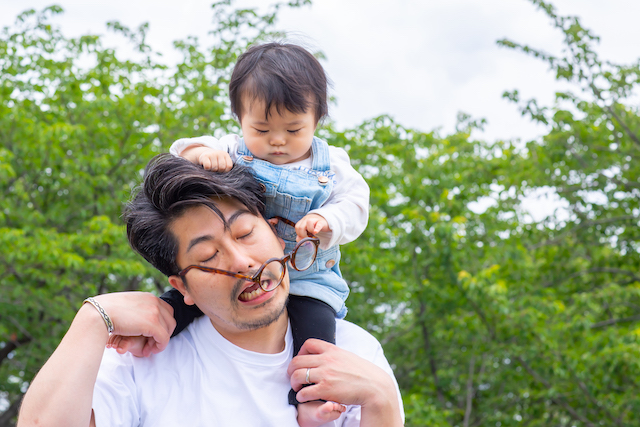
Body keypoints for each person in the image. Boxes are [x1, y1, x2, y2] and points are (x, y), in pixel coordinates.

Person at [17, 154, 404, 427]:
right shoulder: (140, 362)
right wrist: (92, 319)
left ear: (276, 232)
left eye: (246, 233)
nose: (241, 262)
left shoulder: (355, 353)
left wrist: (382, 400)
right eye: (207, 255)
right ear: (182, 287)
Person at [162, 41, 370, 425]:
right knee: (181, 299)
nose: (277, 141)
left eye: (293, 129)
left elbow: (357, 205)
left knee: (316, 339)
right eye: (261, 128)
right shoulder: (231, 147)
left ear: (317, 119)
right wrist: (199, 154)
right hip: (234, 270)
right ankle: (157, 326)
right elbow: (179, 154)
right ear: (240, 120)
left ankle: (308, 400)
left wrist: (329, 221)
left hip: (309, 274)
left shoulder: (332, 164)